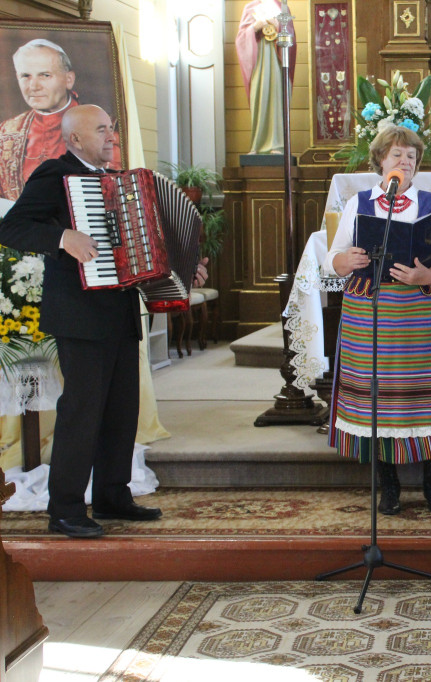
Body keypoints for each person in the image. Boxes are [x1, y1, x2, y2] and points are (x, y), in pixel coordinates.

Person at [0, 104, 207, 538]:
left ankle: (113, 494)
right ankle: (66, 510)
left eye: (111, 128)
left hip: (119, 312)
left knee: (120, 410)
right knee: (82, 411)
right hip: (79, 315)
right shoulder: (54, 176)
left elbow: (144, 251)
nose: (111, 136)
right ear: (75, 139)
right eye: (101, 129)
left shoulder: (119, 183)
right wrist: (63, 237)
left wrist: (184, 272)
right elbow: (12, 228)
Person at [323, 124, 431, 515]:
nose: (404, 162)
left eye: (411, 157)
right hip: (374, 317)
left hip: (424, 317)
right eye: (396, 155)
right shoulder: (359, 203)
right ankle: (389, 487)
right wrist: (345, 260)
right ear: (380, 162)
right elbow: (331, 260)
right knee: (380, 404)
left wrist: (429, 275)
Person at [0, 39, 81, 200]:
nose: (34, 86)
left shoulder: (103, 128)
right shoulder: (5, 132)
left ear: (69, 80)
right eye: (25, 76)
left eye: (45, 75)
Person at [235, 0, 295, 155]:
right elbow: (241, 39)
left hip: (276, 60)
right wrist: (255, 27)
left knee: (276, 97)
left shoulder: (282, 7)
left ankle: (277, 144)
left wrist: (278, 26)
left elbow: (291, 38)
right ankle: (257, 144)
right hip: (258, 58)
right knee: (259, 98)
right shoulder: (250, 7)